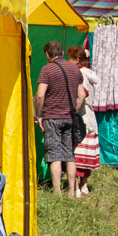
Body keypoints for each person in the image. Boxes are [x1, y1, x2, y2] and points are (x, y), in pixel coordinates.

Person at [37, 43, 84, 197]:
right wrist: (74, 111)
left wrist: (38, 115)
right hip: (69, 117)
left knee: (54, 155)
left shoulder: (47, 69)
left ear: (47, 55)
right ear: (62, 52)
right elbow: (81, 95)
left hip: (52, 117)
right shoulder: (75, 69)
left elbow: (40, 95)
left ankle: (57, 193)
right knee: (69, 154)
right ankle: (72, 191)